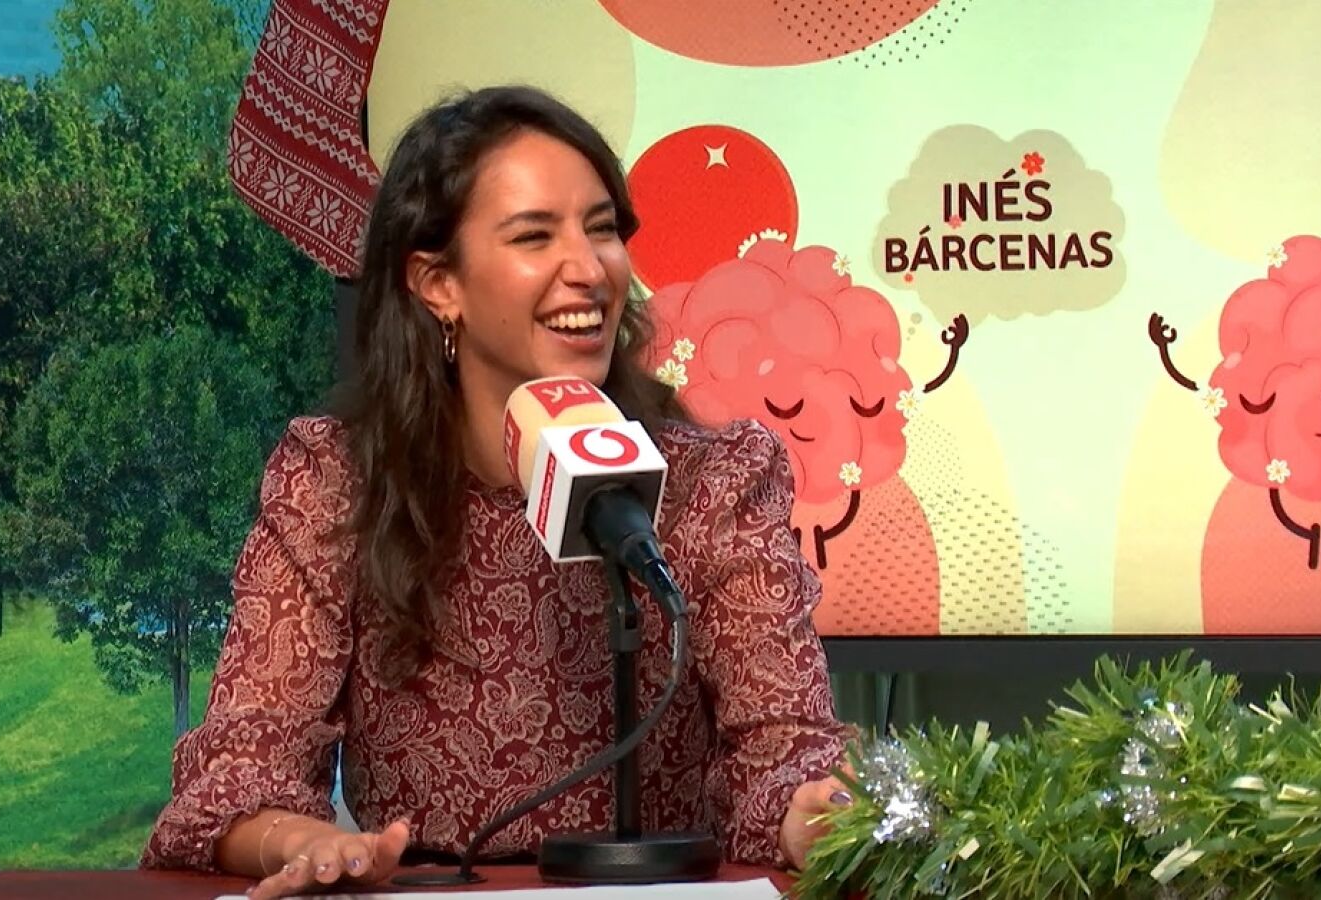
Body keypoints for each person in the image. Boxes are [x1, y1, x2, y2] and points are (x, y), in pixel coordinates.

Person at [140, 85, 854, 898]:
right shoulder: (335, 482)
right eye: (533, 236)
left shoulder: (712, 481)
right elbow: (240, 772)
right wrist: (307, 843)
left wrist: (813, 813)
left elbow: (785, 753)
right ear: (436, 283)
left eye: (601, 230)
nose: (588, 270)